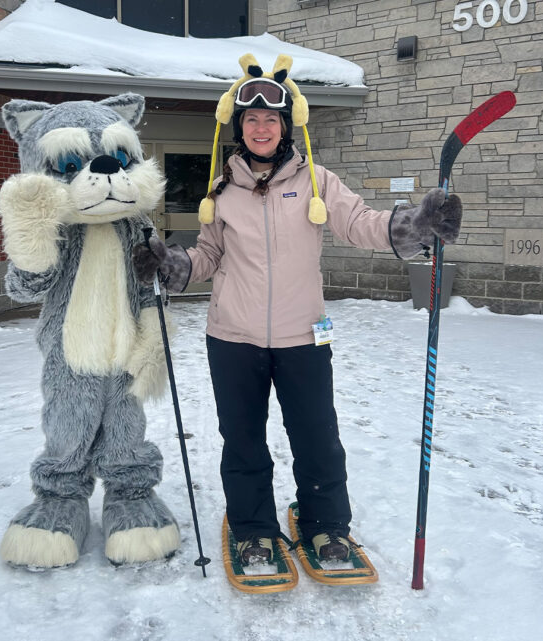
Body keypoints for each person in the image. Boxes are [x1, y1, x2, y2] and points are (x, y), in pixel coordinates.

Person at [133, 54, 463, 566]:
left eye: (271, 118)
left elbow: (360, 222)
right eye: (251, 118)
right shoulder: (221, 190)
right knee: (242, 442)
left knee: (317, 440)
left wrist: (416, 226)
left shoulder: (317, 181)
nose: (261, 127)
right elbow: (209, 255)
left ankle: (326, 526)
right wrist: (172, 266)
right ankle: (253, 529)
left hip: (304, 336)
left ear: (286, 126)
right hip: (232, 338)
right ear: (239, 127)